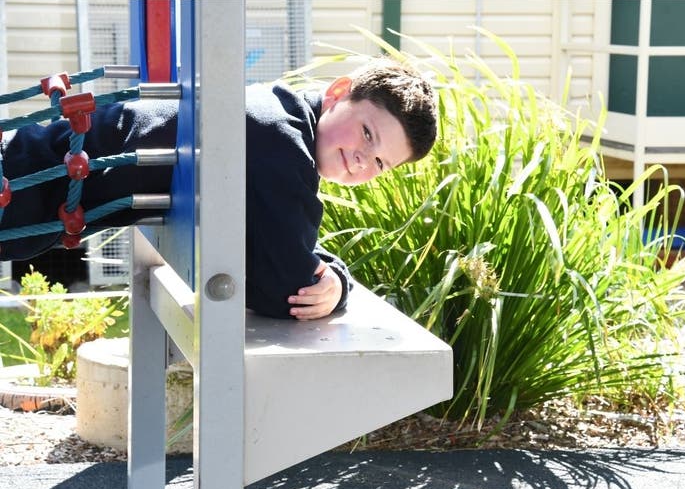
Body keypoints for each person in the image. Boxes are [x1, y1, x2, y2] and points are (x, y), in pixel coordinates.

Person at [0, 58, 437, 320]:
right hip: (15, 186)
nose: (363, 159)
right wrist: (339, 281)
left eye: (380, 162)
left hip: (24, 185)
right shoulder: (282, 140)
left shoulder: (275, 111)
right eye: (366, 133)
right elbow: (287, 289)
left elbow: (277, 251)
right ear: (340, 92)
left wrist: (322, 271)